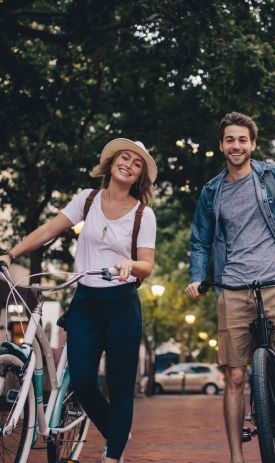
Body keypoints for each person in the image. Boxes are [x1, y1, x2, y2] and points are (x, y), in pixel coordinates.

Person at [185, 112, 275, 463]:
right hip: (232, 288)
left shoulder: (272, 176)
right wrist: (196, 276)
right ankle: (237, 455)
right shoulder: (211, 191)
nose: (236, 146)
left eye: (242, 140)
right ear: (221, 145)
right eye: (229, 140)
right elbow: (201, 242)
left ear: (253, 144)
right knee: (235, 376)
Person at [0, 138, 157, 463]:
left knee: (120, 386)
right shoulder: (87, 200)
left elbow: (147, 264)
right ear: (112, 163)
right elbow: (48, 230)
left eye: (137, 163)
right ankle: (116, 429)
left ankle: (113, 455)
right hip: (85, 302)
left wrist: (130, 265)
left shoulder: (144, 215)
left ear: (140, 175)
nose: (128, 164)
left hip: (122, 304)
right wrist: (10, 252)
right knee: (84, 382)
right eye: (124, 158)